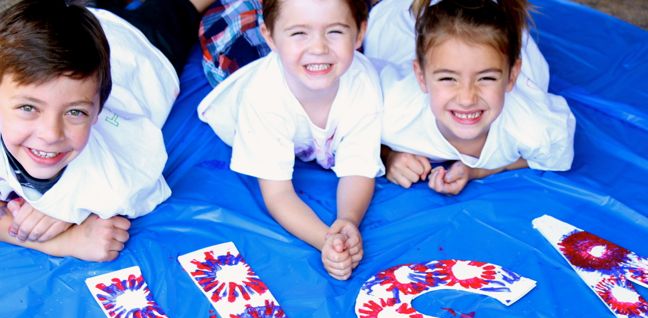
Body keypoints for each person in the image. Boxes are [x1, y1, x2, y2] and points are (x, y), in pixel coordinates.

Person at [0, 0, 212, 261]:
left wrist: (66, 211)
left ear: (98, 112)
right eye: (28, 108)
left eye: (75, 112)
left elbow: (145, 180)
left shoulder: (111, 182)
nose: (51, 134)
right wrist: (62, 243)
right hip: (79, 35)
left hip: (143, 50)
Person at [198, 0, 384, 280]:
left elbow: (358, 169)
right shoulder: (262, 97)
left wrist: (347, 220)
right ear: (269, 36)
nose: (319, 47)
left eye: (335, 31)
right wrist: (325, 240)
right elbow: (278, 194)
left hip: (287, 55)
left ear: (359, 34)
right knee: (234, 19)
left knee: (296, 29)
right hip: (232, 58)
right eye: (300, 33)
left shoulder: (363, 80)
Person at [364, 0, 575, 195]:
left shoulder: (534, 128)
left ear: (512, 76)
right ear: (420, 77)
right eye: (448, 78)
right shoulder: (391, 109)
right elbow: (344, 116)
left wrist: (478, 170)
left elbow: (556, 148)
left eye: (486, 78)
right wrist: (388, 155)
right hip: (396, 18)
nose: (467, 99)